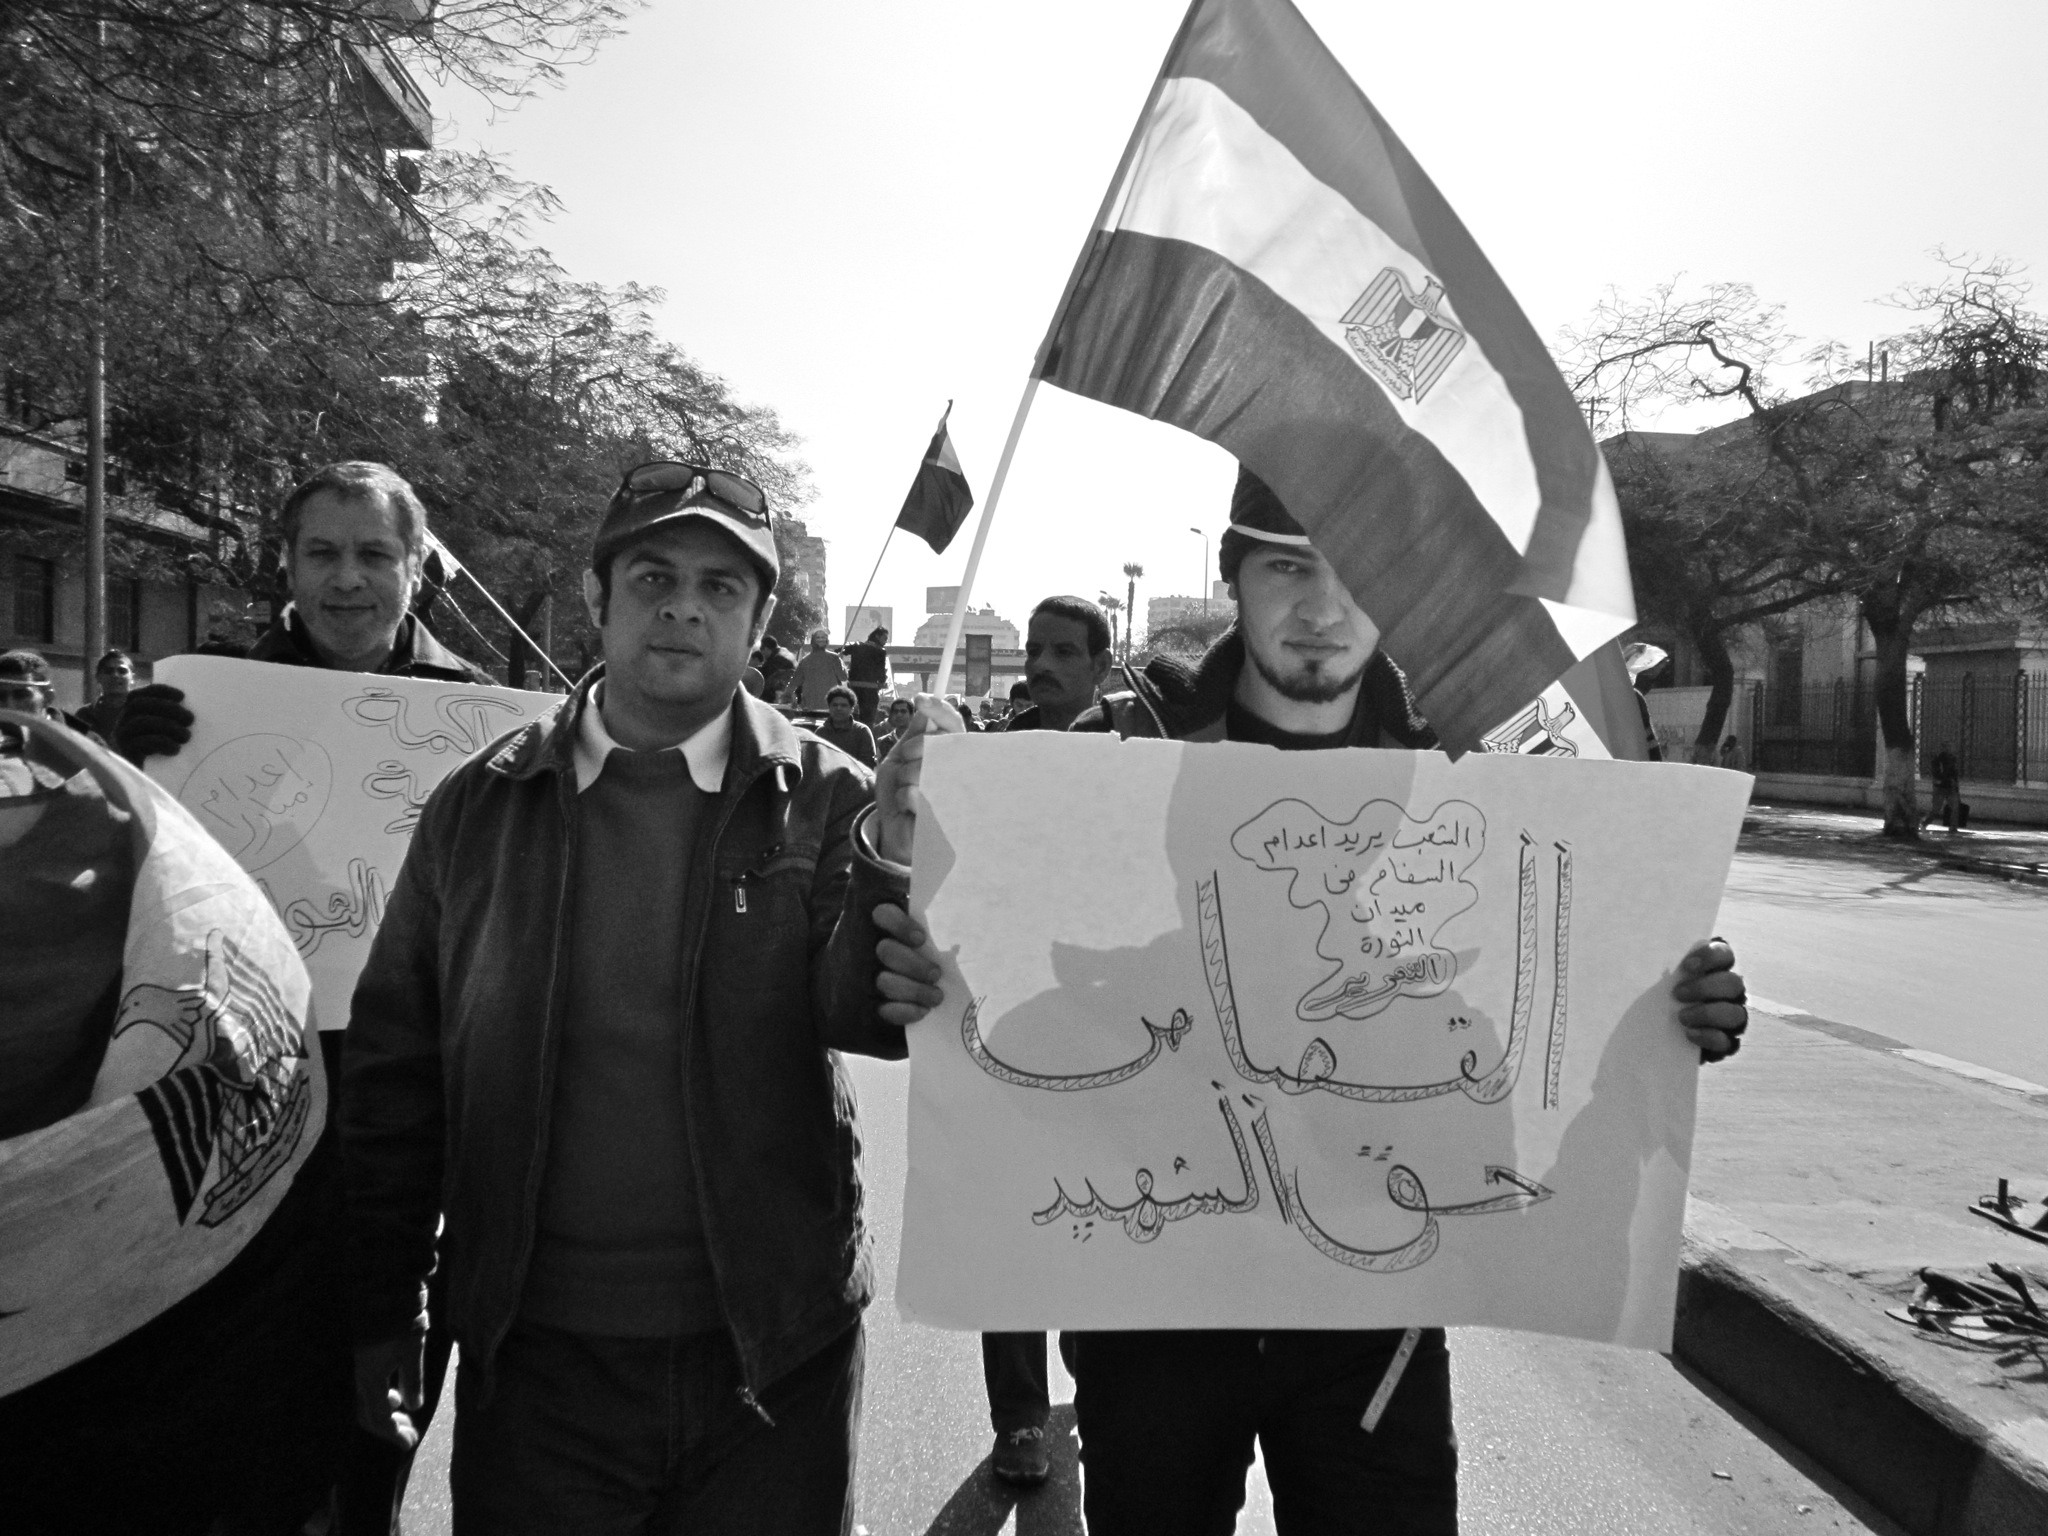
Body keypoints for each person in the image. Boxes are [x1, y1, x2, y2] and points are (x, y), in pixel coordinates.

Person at [874, 467, 1751, 1536]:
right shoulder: (1114, 751)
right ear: (1234, 581)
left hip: (1369, 1333)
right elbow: (991, 984)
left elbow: (1543, 992)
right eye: (1285, 569)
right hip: (1151, 1319)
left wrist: (1666, 1007)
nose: (1319, 605)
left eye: (1352, 575)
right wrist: (916, 902)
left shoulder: (1469, 770)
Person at [342, 461, 937, 1533]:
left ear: (759, 623)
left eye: (720, 588)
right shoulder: (478, 807)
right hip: (536, 1364)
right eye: (654, 575)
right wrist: (382, 1308)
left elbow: (865, 1020)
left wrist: (897, 858)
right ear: (595, 596)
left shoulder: (831, 801)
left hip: (770, 1358)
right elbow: (397, 1074)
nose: (681, 606)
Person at [111, 460, 494, 1535]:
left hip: (421, 1119)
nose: (347, 580)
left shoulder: (481, 719)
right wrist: (124, 758)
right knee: (252, 1417)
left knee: (384, 1405)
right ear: (285, 564)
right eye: (321, 553)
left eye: (375, 554)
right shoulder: (204, 704)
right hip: (254, 1104)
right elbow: (135, 887)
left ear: (417, 568)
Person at [1007, 596, 1114, 734]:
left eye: (1063, 652)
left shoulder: (1133, 751)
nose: (1041, 663)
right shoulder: (993, 751)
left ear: (1101, 667)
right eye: (1034, 652)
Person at [0, 650, 100, 740]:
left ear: (47, 697)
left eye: (21, 695)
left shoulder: (86, 746)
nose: (9, 705)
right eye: (1, 697)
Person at [74, 648, 135, 739]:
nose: (115, 675)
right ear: (98, 677)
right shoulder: (84, 715)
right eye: (109, 671)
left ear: (132, 678)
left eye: (122, 671)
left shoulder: (142, 713)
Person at [813, 682, 878, 767]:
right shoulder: (821, 732)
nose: (838, 708)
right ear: (829, 708)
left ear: (852, 709)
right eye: (835, 705)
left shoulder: (862, 731)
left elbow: (867, 764)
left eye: (843, 705)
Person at [788, 627, 847, 713]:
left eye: (823, 637)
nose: (821, 639)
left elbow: (793, 684)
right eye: (818, 637)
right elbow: (843, 677)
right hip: (822, 706)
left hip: (817, 706)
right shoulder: (833, 658)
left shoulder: (805, 660)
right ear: (813, 640)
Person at [845, 626, 891, 725]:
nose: (886, 641)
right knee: (868, 721)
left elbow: (841, 650)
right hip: (870, 691)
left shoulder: (856, 646)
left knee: (852, 718)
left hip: (854, 689)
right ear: (877, 636)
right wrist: (882, 682)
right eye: (885, 638)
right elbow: (881, 673)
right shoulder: (880, 651)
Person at [1929, 741, 1963, 833]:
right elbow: (1937, 774)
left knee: (1955, 807)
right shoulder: (1937, 760)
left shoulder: (1952, 759)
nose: (1950, 749)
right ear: (1943, 748)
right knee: (1936, 810)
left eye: (1950, 747)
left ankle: (1953, 828)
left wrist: (1956, 787)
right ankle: (1924, 823)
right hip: (1940, 787)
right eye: (1948, 747)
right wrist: (1949, 780)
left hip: (1950, 787)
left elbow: (1954, 774)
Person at [757, 634, 797, 704]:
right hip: (795, 692)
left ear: (766, 649)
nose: (763, 656)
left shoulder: (773, 661)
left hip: (778, 697)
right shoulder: (786, 652)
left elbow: (762, 683)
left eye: (762, 651)